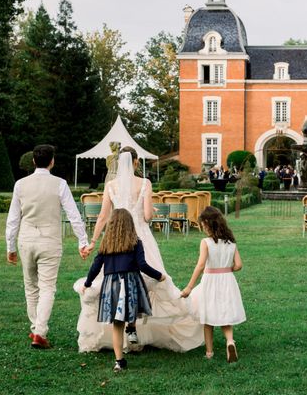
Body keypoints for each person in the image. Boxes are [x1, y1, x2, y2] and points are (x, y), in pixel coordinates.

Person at [74, 146, 203, 352]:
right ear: (135, 162)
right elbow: (147, 216)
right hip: (140, 237)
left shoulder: (111, 185)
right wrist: (151, 208)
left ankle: (118, 332)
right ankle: (134, 328)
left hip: (116, 238)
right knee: (144, 282)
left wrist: (93, 241)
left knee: (114, 283)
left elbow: (103, 216)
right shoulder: (145, 183)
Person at [5, 144, 89, 349]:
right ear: (52, 161)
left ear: (33, 161)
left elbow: (13, 219)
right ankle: (39, 331)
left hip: (26, 240)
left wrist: (10, 246)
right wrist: (83, 241)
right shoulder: (59, 184)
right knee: (47, 287)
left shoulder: (20, 184)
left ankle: (36, 328)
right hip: (50, 241)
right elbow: (73, 215)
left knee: (30, 286)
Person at [81, 208, 166, 372]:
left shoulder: (106, 244)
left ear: (110, 225)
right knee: (133, 307)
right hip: (130, 282)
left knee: (117, 324)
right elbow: (142, 265)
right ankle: (132, 328)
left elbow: (95, 266)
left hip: (111, 286)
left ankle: (119, 361)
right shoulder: (135, 242)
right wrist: (158, 275)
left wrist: (88, 282)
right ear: (130, 224)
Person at [181, 206, 245, 363]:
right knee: (225, 314)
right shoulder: (231, 242)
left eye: (203, 224)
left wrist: (189, 286)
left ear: (208, 224)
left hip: (210, 281)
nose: (202, 227)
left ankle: (209, 353)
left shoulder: (206, 243)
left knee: (208, 317)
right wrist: (226, 269)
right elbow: (238, 265)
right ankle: (230, 341)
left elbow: (201, 265)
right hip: (227, 280)